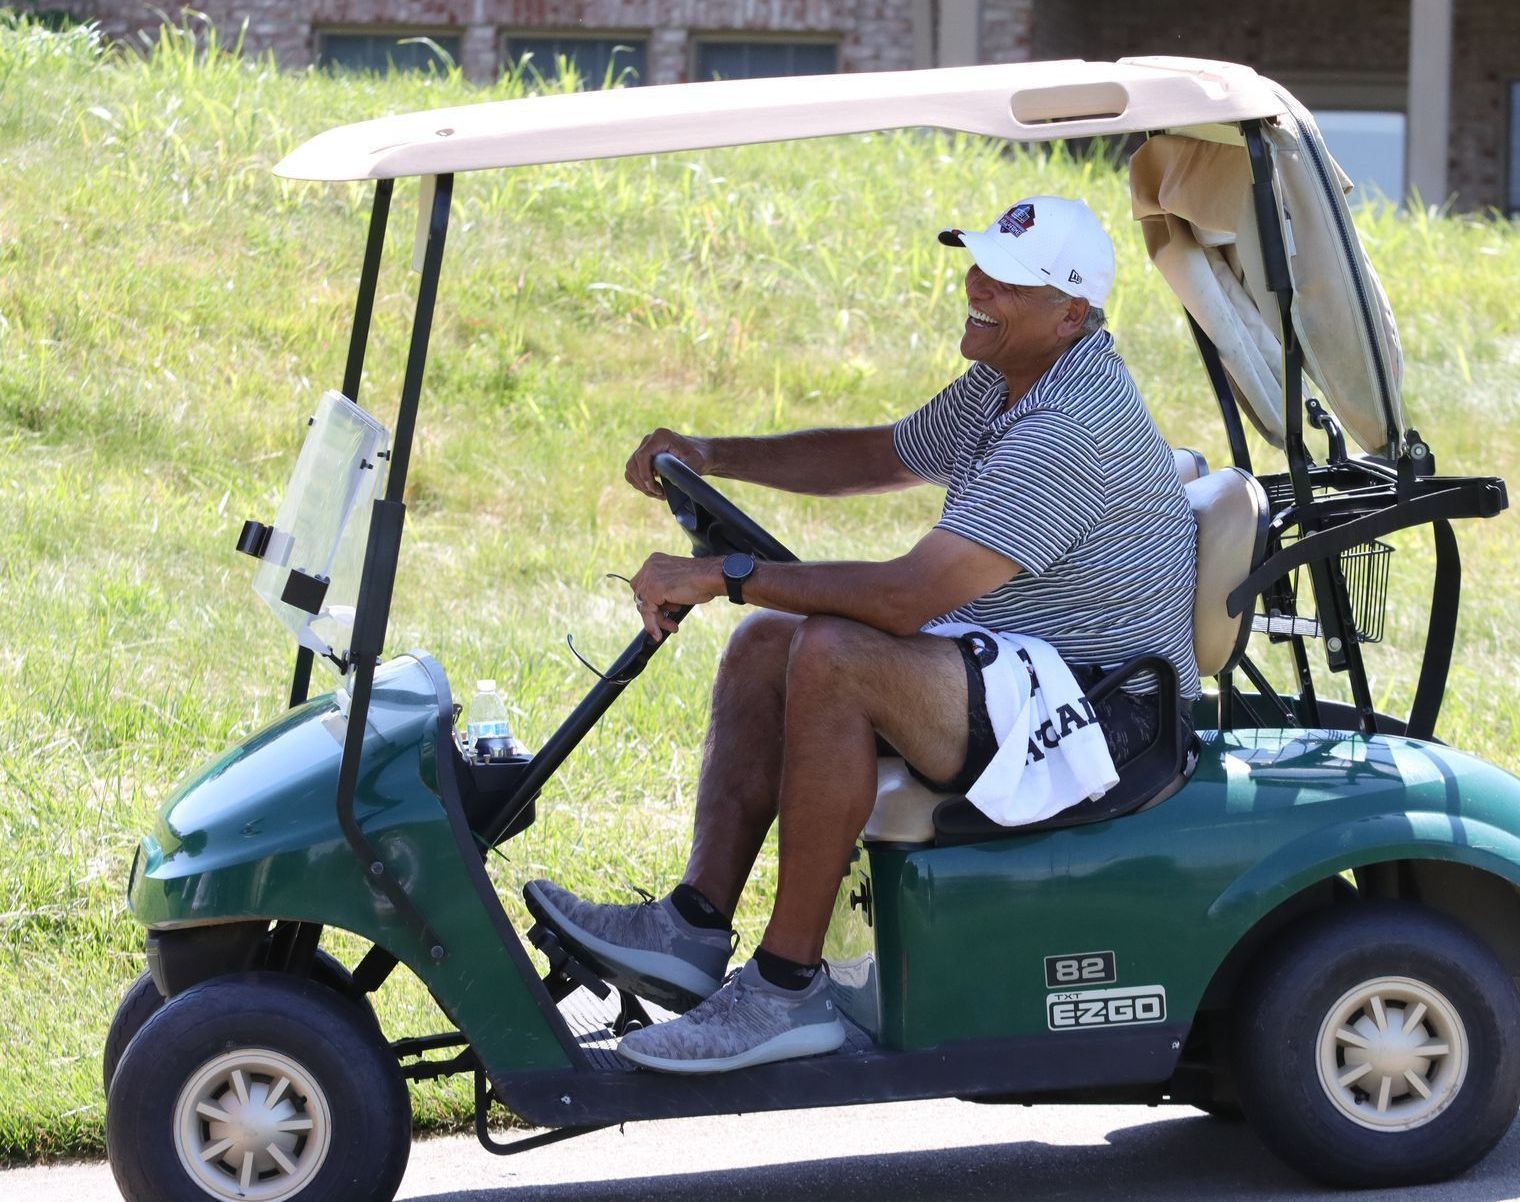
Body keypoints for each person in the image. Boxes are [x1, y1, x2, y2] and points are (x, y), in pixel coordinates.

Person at [525, 195, 1200, 1074]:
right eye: (981, 265)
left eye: (1010, 281)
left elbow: (907, 598)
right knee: (770, 640)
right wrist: (713, 454)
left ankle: (786, 988)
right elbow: (881, 456)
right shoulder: (1014, 378)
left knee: (837, 656)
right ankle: (691, 929)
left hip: (1106, 710)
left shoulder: (1068, 427)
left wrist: (723, 574)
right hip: (1036, 667)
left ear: (1071, 313)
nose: (979, 287)